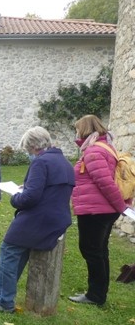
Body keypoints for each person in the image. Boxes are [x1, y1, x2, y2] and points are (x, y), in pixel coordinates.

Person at [0, 126, 75, 313]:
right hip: (56, 218)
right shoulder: (64, 162)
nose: (28, 154)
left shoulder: (41, 162)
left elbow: (30, 198)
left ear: (34, 146)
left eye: (28, 150)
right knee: (18, 250)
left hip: (38, 219)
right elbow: (51, 190)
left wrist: (15, 197)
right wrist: (27, 187)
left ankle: (4, 301)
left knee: (9, 249)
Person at [68, 115, 132, 305]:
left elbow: (105, 182)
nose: (76, 133)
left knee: (91, 250)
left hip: (95, 210)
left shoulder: (94, 151)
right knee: (99, 250)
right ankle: (98, 293)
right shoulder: (106, 146)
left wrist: (121, 206)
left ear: (84, 129)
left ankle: (95, 295)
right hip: (100, 208)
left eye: (77, 129)